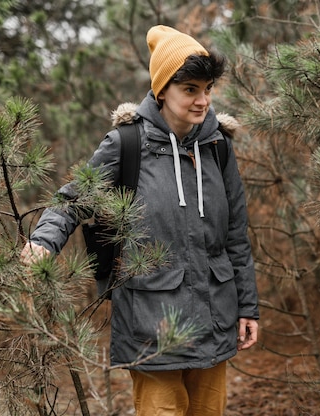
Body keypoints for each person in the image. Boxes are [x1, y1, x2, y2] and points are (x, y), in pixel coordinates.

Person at [20, 25, 259, 415]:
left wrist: (247, 306)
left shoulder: (219, 146)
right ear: (163, 89)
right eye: (191, 89)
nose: (203, 101)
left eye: (208, 89)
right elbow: (73, 199)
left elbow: (235, 235)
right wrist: (44, 240)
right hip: (152, 321)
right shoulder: (127, 144)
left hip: (216, 315)